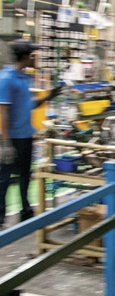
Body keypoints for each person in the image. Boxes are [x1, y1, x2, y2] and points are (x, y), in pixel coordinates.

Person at [0, 39, 62, 228]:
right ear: (26, 57)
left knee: (25, 176)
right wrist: (6, 143)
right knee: (4, 178)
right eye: (33, 55)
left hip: (26, 136)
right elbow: (3, 112)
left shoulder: (25, 78)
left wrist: (48, 96)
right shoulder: (7, 78)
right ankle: (0, 216)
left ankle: (25, 210)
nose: (36, 59)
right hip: (12, 138)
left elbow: (28, 105)